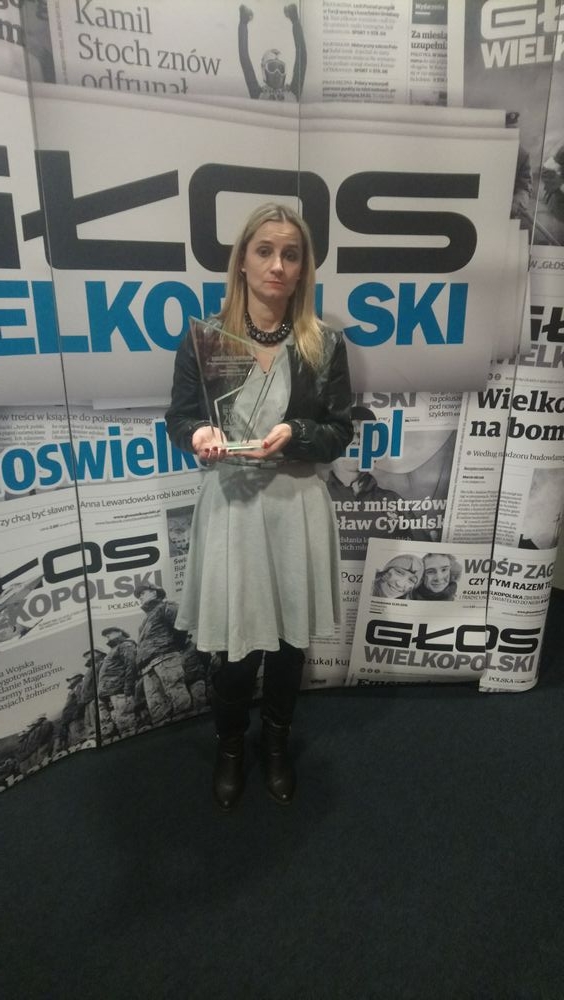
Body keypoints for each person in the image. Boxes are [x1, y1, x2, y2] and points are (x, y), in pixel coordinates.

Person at [166, 202, 353, 810]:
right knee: (235, 647)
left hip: (296, 505)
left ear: (303, 268)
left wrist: (296, 434)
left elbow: (339, 432)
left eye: (290, 255)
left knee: (289, 643)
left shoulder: (323, 344)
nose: (278, 265)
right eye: (265, 251)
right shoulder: (203, 338)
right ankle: (230, 745)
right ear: (242, 262)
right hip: (233, 506)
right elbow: (180, 417)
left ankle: (275, 742)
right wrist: (197, 434)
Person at [134, 582, 208, 726]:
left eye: (142, 593)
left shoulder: (167, 606)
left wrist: (172, 648)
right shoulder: (145, 621)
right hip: (147, 666)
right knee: (156, 703)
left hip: (166, 657)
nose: (140, 597)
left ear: (154, 592)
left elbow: (180, 627)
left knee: (176, 692)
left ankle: (187, 726)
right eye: (139, 595)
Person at [238, 4, 306, 101]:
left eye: (281, 69)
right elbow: (244, 59)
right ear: (264, 71)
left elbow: (302, 58)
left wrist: (295, 22)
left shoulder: (293, 92)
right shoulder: (258, 94)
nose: (277, 73)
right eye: (272, 68)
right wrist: (243, 24)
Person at [98, 628, 138, 739]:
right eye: (106, 635)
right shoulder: (114, 650)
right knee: (120, 722)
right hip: (112, 692)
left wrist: (128, 688)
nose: (107, 636)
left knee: (127, 723)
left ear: (120, 632)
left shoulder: (125, 645)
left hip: (120, 691)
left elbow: (131, 665)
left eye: (109, 633)